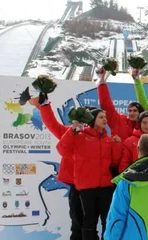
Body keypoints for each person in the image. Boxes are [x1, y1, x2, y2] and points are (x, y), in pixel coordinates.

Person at [56, 109, 122, 240]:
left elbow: (115, 162)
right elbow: (62, 150)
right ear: (93, 120)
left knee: (107, 221)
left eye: (105, 117)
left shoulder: (108, 140)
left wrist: (117, 145)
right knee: (89, 222)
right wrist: (72, 130)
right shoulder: (79, 136)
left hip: (106, 187)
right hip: (87, 188)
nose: (105, 120)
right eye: (101, 117)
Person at [29, 96, 83, 240]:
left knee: (91, 222)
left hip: (94, 186)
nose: (85, 123)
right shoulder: (70, 133)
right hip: (76, 184)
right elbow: (52, 124)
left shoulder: (100, 137)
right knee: (77, 220)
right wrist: (45, 105)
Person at [96, 67, 145, 140]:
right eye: (130, 110)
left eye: (135, 111)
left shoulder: (145, 126)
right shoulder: (119, 121)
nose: (131, 113)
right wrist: (102, 81)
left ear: (140, 113)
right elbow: (106, 105)